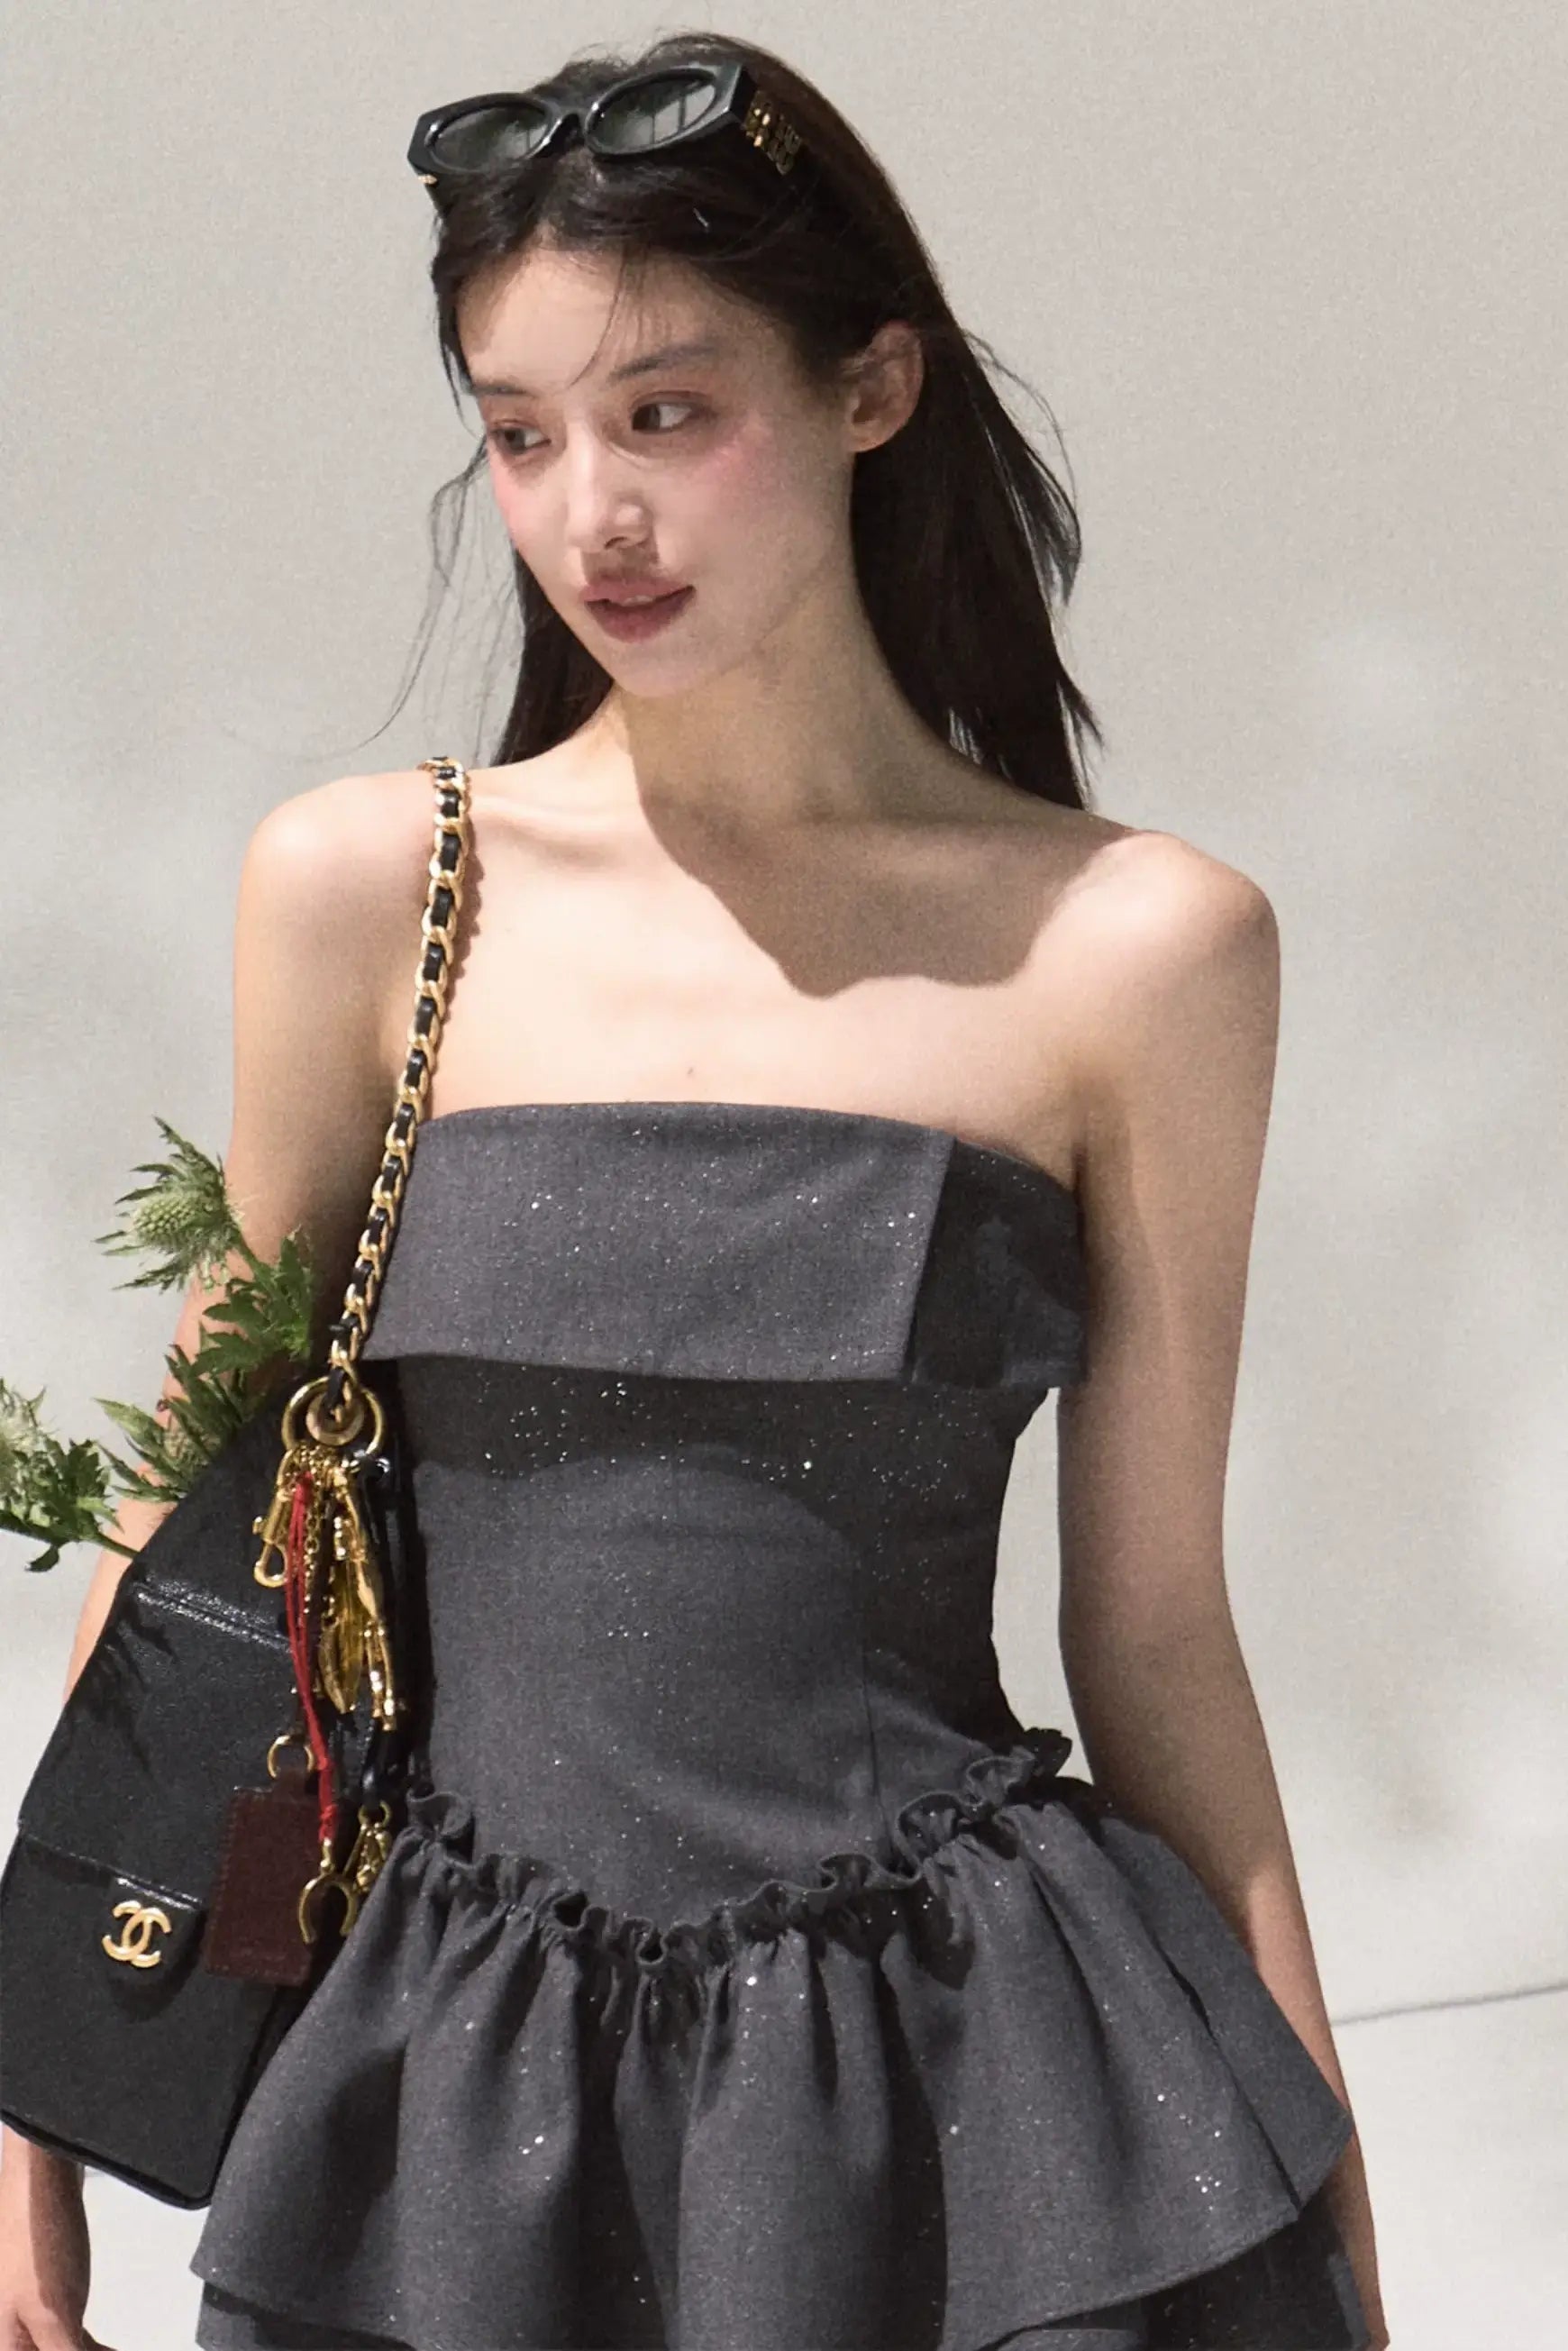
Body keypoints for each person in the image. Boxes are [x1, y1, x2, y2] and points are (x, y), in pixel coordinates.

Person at [0, 29, 1389, 2351]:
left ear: (873, 388)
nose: (592, 519)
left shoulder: (1139, 949)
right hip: (451, 2120)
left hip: (978, 2114)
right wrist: (28, 2115)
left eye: (666, 413)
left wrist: (1322, 2169)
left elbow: (1155, 1630)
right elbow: (189, 1531)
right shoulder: (368, 894)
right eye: (522, 434)